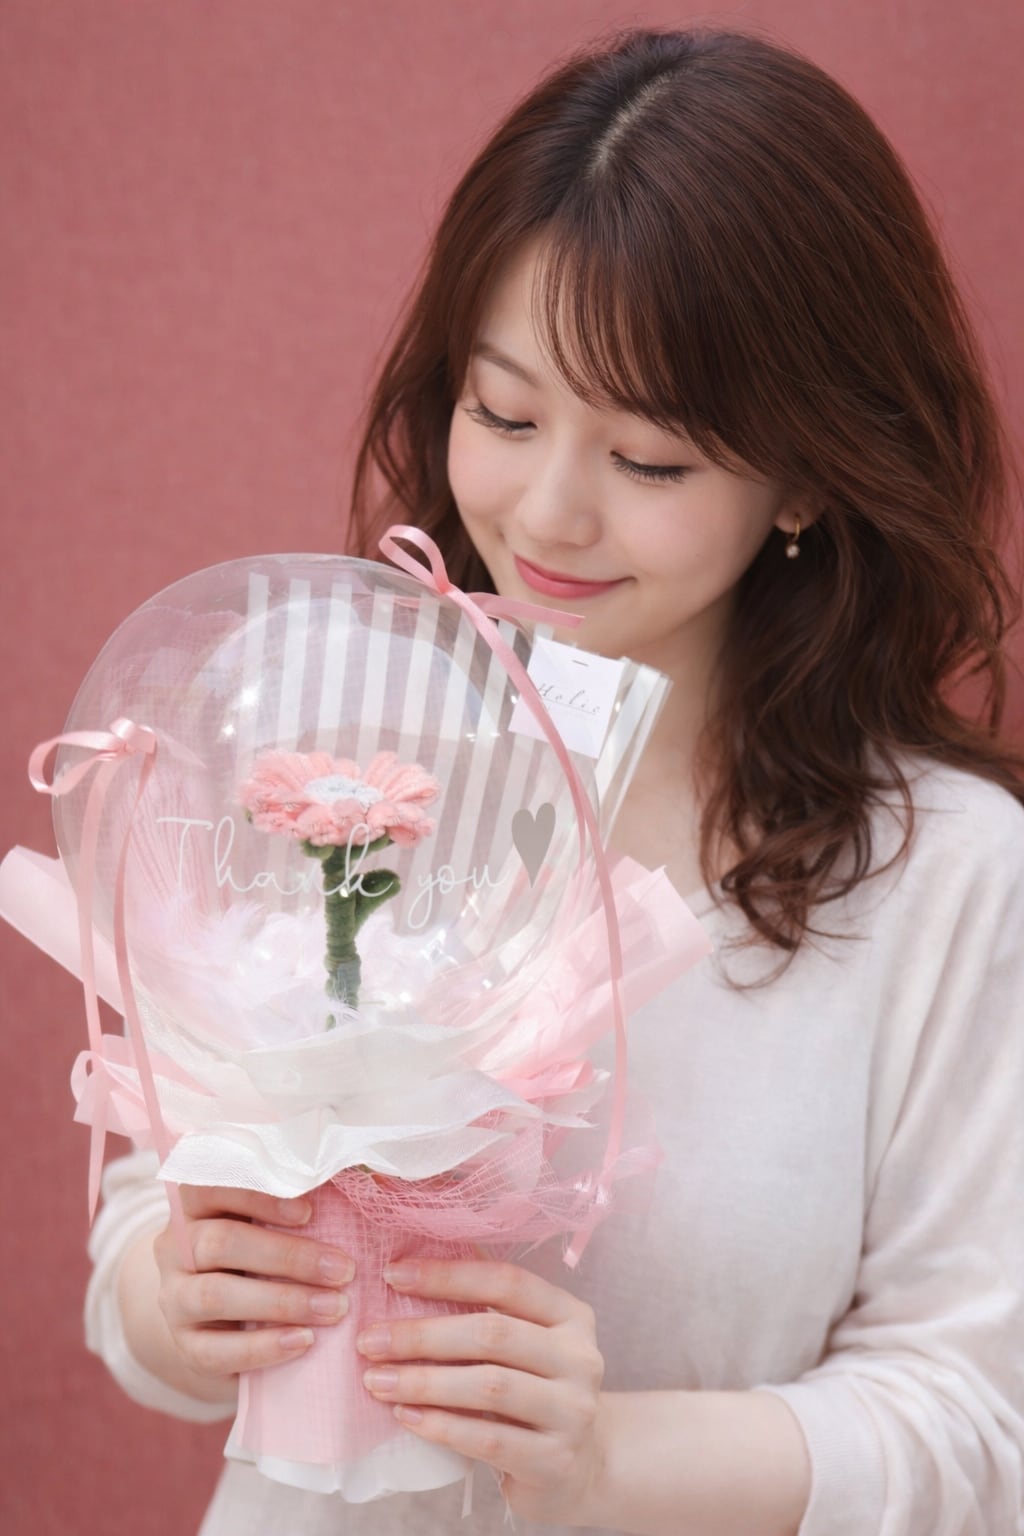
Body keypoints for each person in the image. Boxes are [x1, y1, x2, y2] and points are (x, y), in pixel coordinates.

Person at [85, 26, 1024, 1536]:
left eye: (650, 459)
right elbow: (152, 1253)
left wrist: (599, 1462)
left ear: (805, 473)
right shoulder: (333, 771)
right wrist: (174, 1297)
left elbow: (975, 1424)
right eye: (505, 416)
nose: (547, 512)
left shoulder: (947, 876)